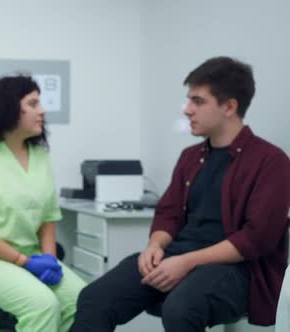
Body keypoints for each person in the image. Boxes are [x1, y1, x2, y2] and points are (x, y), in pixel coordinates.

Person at [70, 56, 290, 332]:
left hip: (237, 270)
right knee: (94, 299)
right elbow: (168, 213)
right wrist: (155, 246)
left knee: (181, 308)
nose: (187, 110)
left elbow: (257, 238)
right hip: (176, 255)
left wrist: (187, 262)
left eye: (198, 102)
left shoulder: (271, 161)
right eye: (188, 101)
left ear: (229, 106)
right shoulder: (190, 157)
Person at [0, 76, 86, 332]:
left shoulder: (39, 157)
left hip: (30, 254)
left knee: (84, 302)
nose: (42, 110)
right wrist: (24, 262)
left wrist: (49, 259)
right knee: (42, 305)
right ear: (7, 108)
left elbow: (47, 219)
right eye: (33, 103)